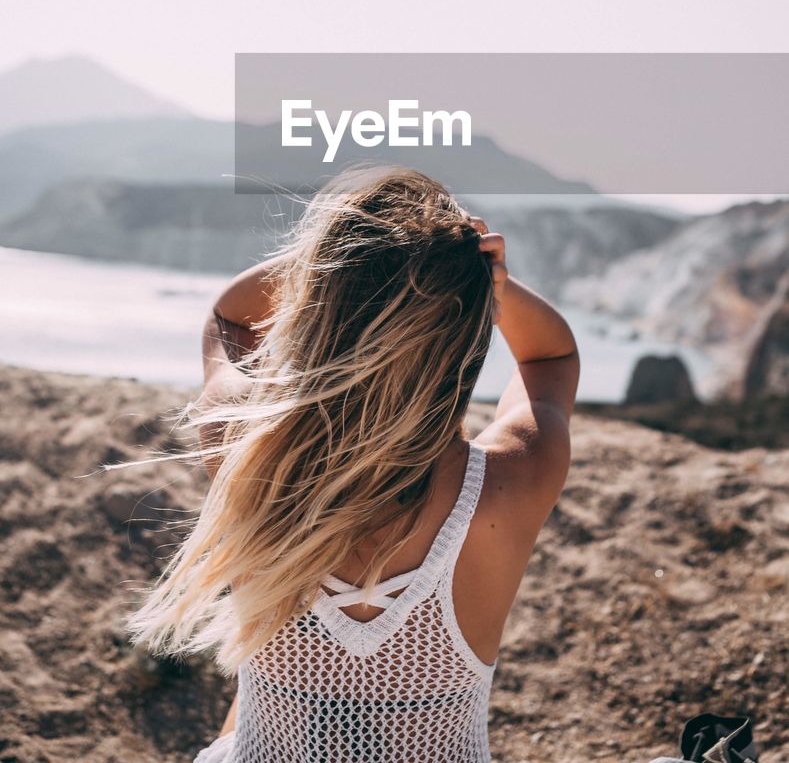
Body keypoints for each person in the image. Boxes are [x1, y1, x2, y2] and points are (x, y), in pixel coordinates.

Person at [128, 167, 580, 762]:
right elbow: (551, 357)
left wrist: (332, 257)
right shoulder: (509, 484)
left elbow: (231, 318)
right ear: (466, 334)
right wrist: (490, 284)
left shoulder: (246, 444)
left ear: (315, 306)